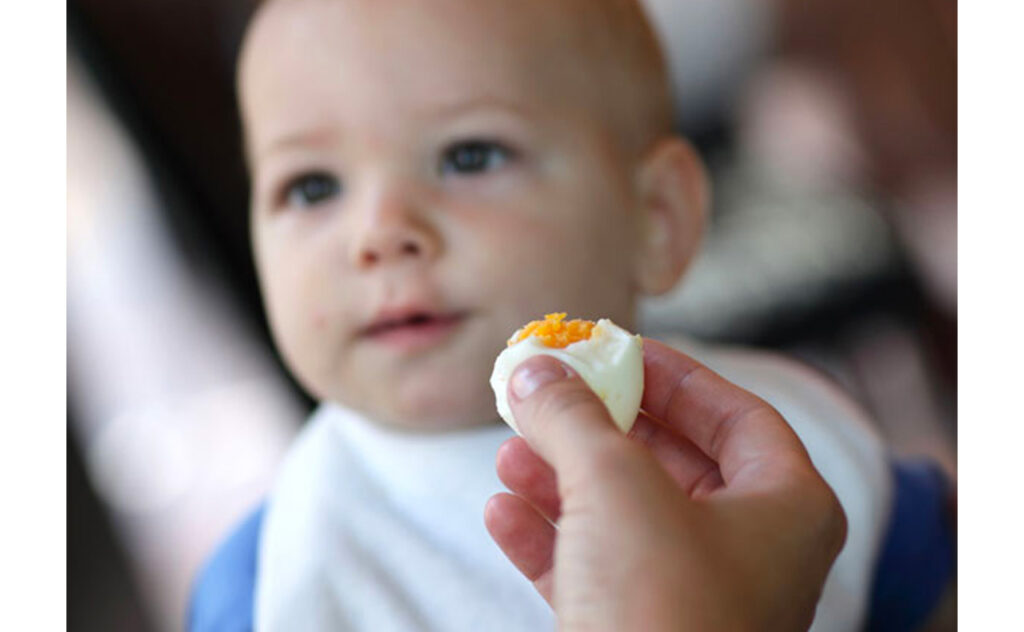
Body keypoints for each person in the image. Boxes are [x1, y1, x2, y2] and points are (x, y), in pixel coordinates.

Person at [189, 0, 954, 630]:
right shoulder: (273, 587)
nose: (381, 232)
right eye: (313, 187)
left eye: (469, 157)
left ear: (654, 218)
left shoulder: (782, 449)